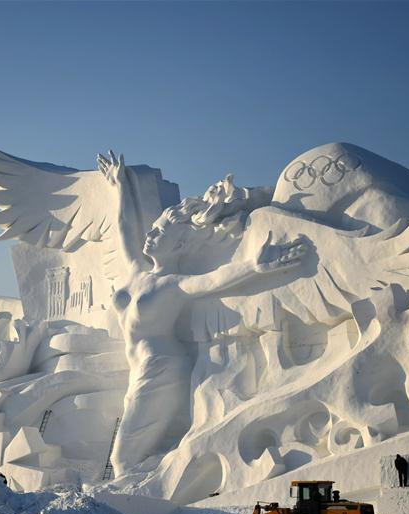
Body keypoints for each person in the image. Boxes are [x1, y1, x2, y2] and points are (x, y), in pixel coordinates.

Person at [98, 152, 306, 477]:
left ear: (179, 245)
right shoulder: (136, 271)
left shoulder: (173, 285)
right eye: (153, 229)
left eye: (161, 232)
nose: (150, 235)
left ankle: (166, 480)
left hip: (162, 367)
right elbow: (125, 227)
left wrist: (253, 266)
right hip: (138, 370)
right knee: (129, 455)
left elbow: (213, 280)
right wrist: (119, 186)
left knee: (122, 460)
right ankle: (165, 472)